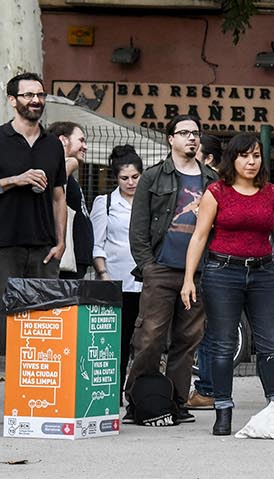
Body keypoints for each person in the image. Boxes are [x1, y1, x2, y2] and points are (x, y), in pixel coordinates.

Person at [179, 134, 274, 435]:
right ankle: (222, 409)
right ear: (232, 159)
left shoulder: (272, 193)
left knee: (269, 345)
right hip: (222, 272)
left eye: (256, 156)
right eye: (244, 156)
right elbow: (199, 236)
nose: (251, 162)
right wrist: (189, 279)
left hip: (263, 274)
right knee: (223, 345)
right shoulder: (216, 192)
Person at [126, 114, 216, 423]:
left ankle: (177, 403)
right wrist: (148, 266)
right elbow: (137, 228)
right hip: (161, 269)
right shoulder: (153, 177)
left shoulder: (212, 180)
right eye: (184, 133)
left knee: (187, 339)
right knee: (150, 337)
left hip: (199, 272)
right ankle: (139, 401)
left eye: (195, 132)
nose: (192, 138)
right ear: (171, 139)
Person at [0, 73, 68, 359]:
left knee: (42, 319)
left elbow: (59, 195)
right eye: (28, 95)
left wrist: (61, 242)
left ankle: (37, 381)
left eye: (40, 95)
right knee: (5, 317)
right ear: (12, 100)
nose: (36, 101)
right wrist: (15, 180)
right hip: (5, 244)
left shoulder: (52, 144)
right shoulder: (0, 138)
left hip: (43, 247)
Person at [90, 146, 145, 387]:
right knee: (118, 341)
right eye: (125, 178)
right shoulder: (105, 203)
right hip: (116, 281)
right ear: (116, 178)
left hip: (146, 281)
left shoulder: (149, 202)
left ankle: (139, 391)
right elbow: (97, 244)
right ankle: (115, 390)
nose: (131, 182)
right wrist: (103, 275)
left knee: (145, 341)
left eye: (135, 177)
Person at [187, 133, 223, 409]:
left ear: (208, 159)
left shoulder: (212, 187)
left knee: (206, 332)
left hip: (208, 266)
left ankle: (208, 388)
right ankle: (210, 388)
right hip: (206, 265)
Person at [46, 120, 95, 281]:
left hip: (75, 260)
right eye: (81, 140)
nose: (85, 146)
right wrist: (71, 163)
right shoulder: (58, 167)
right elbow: (51, 186)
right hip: (65, 260)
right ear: (63, 140)